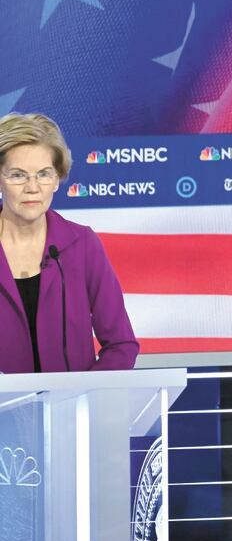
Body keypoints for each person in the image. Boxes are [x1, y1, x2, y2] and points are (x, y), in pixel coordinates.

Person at [0, 112, 139, 373]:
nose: (33, 187)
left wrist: (85, 399)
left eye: (43, 174)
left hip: (74, 410)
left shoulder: (81, 244)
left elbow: (121, 344)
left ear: (56, 179)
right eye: (18, 175)